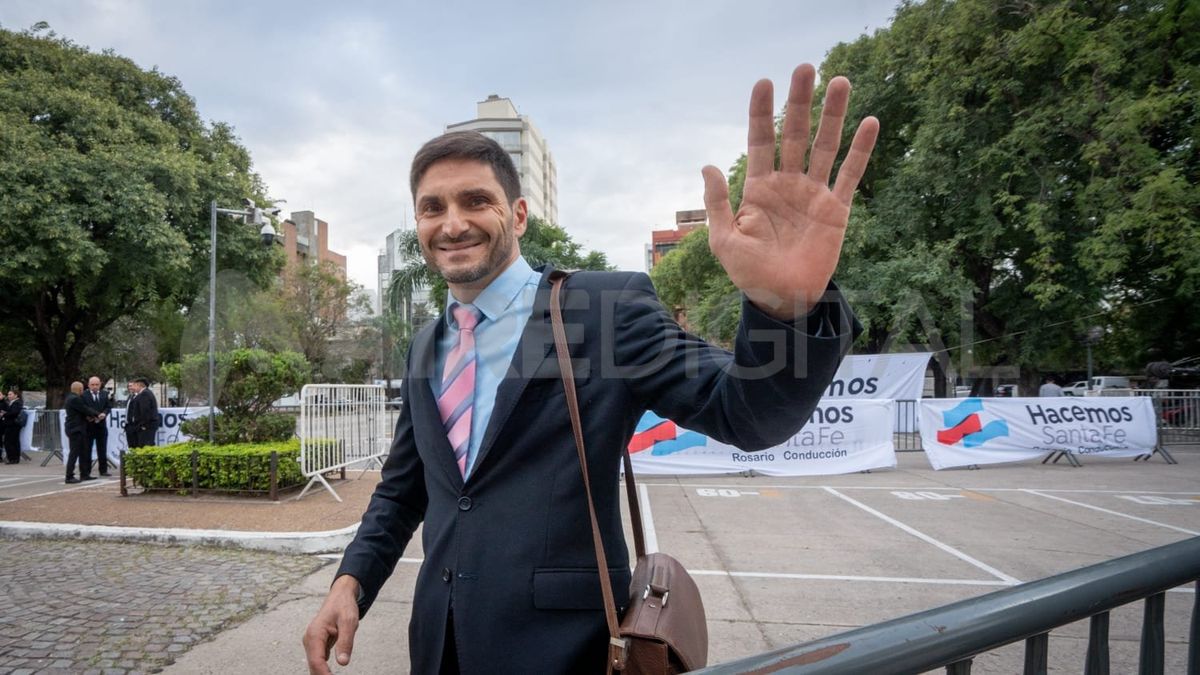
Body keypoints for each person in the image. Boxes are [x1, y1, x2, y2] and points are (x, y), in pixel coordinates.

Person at [303, 63, 878, 675]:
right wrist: (351, 581)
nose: (452, 223)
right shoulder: (426, 344)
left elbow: (750, 414)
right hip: (441, 646)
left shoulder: (602, 309)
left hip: (566, 651)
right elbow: (403, 489)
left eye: (477, 201)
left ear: (518, 215)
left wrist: (784, 307)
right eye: (431, 208)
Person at [64, 381, 102, 483]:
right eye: (82, 389)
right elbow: (85, 409)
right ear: (80, 389)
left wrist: (88, 417)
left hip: (78, 428)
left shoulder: (70, 397)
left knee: (83, 452)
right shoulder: (75, 399)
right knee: (74, 453)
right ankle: (69, 476)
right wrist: (98, 414)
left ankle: (84, 474)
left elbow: (80, 412)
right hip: (76, 429)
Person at [84, 377, 114, 475]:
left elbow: (108, 406)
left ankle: (103, 470)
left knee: (102, 449)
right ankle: (86, 471)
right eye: (92, 385)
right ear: (88, 385)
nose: (95, 387)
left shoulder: (104, 394)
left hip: (101, 425)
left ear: (100, 385)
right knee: (87, 449)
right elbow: (84, 408)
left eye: (97, 384)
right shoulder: (84, 395)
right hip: (89, 426)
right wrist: (96, 415)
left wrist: (104, 414)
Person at [124, 377, 159, 448]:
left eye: (135, 385)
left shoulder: (144, 394)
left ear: (140, 385)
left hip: (146, 427)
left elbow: (145, 411)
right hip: (145, 426)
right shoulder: (145, 393)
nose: (133, 387)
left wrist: (143, 425)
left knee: (145, 446)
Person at [2, 387, 24, 464]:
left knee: (9, 442)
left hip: (13, 425)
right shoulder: (14, 402)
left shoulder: (17, 402)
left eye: (10, 394)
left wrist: (4, 414)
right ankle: (14, 458)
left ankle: (12, 458)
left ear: (16, 395)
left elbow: (14, 413)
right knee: (13, 442)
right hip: (12, 424)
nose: (8, 396)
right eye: (8, 394)